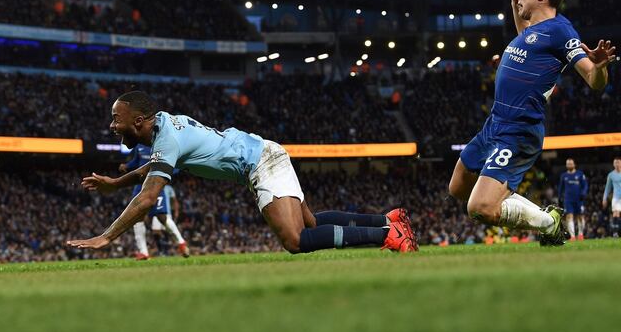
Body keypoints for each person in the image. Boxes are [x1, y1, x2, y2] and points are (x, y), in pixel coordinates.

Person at [67, 91, 416, 254]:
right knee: (310, 225)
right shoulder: (163, 127)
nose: (113, 125)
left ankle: (386, 237)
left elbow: (148, 198)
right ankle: (387, 221)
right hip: (263, 151)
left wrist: (107, 236)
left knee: (295, 241)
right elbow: (154, 167)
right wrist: (117, 182)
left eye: (117, 119)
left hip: (260, 163)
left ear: (138, 121)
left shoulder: (167, 138)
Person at [448, 0, 616, 246]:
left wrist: (599, 67)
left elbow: (593, 78)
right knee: (458, 187)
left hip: (518, 130)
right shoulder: (532, 32)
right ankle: (510, 201)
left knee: (479, 208)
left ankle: (548, 222)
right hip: (495, 123)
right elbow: (524, 32)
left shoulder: (561, 31)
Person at [149, 183, 190, 258]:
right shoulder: (154, 186)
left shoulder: (169, 188)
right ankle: (161, 251)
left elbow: (174, 200)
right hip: (157, 211)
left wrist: (176, 211)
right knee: (155, 231)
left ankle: (169, 250)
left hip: (166, 212)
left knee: (167, 232)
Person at [558, 158, 588, 240]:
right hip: (568, 199)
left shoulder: (580, 174)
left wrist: (583, 193)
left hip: (579, 199)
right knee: (569, 216)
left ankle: (581, 234)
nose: (569, 165)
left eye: (571, 164)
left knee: (580, 217)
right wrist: (559, 198)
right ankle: (572, 236)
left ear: (574, 164)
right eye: (568, 164)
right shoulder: (564, 176)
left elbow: (585, 185)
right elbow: (560, 188)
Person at [603, 157, 621, 237]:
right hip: (616, 197)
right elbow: (607, 188)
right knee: (616, 213)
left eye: (618, 162)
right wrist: (604, 198)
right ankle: (615, 233)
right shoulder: (611, 175)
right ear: (613, 164)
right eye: (615, 163)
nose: (617, 164)